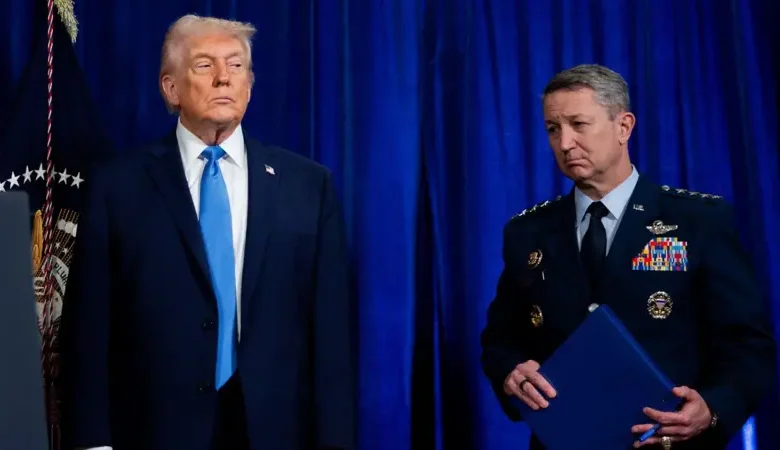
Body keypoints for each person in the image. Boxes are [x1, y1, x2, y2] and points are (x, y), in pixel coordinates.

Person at [58, 14, 355, 450]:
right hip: (153, 430)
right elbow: (88, 329)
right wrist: (92, 442)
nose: (223, 78)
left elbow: (331, 339)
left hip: (274, 431)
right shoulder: (116, 187)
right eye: (204, 65)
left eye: (236, 66)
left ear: (249, 86)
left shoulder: (309, 186)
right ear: (171, 88)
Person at [479, 64, 776, 450]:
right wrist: (510, 373)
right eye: (553, 129)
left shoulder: (698, 220)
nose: (565, 143)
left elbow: (747, 344)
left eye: (578, 124)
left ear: (623, 126)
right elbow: (501, 339)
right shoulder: (528, 231)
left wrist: (713, 408)